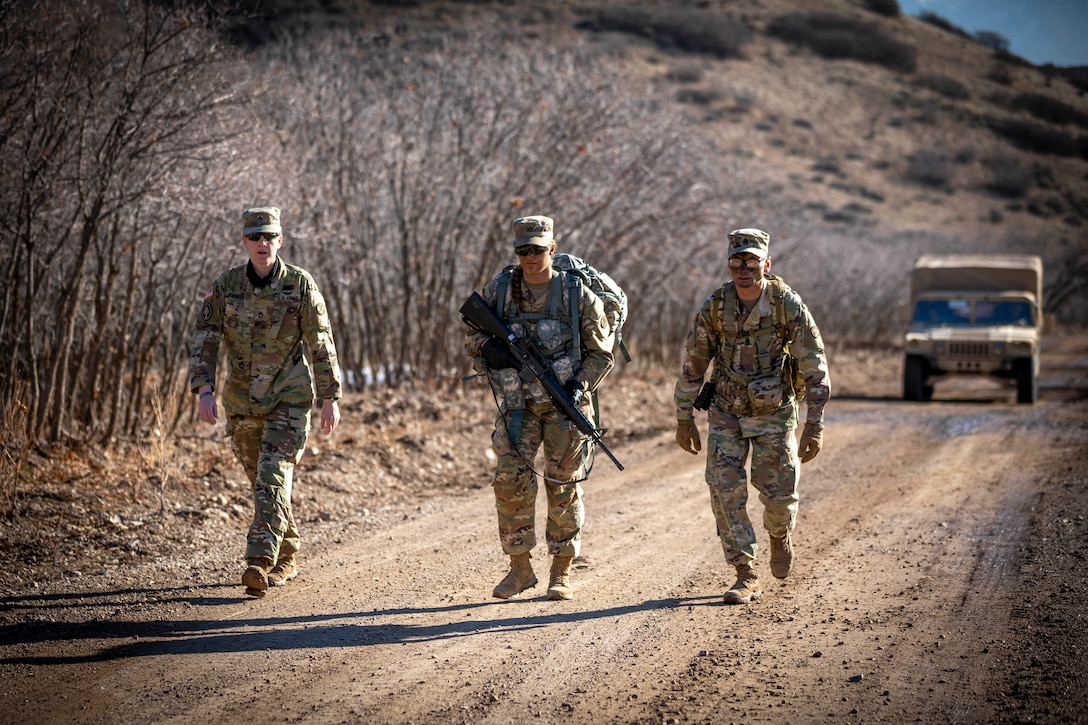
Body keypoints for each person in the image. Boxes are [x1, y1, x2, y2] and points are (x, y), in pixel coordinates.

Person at [190, 206, 342, 598]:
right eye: (255, 237)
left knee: (272, 474)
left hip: (289, 399)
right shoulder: (225, 287)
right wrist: (204, 390)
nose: (263, 243)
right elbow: (205, 338)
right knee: (264, 484)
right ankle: (288, 555)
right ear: (243, 241)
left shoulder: (300, 285)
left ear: (280, 239)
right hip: (241, 402)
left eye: (269, 236)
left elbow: (320, 341)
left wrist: (330, 397)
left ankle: (258, 562)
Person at [674, 228, 829, 605]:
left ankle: (779, 536)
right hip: (726, 412)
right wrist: (683, 416)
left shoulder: (785, 304)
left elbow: (814, 365)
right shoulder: (716, 306)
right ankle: (745, 572)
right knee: (723, 490)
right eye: (737, 261)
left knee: (778, 494)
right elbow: (694, 363)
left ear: (766, 263)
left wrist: (814, 424)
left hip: (774, 414)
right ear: (729, 264)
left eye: (752, 261)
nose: (744, 268)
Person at [465, 215, 615, 601]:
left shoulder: (575, 293)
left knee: (563, 486)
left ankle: (561, 570)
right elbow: (472, 332)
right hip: (518, 407)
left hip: (565, 406)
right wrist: (489, 350)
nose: (530, 257)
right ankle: (520, 569)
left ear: (552, 247)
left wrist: (580, 385)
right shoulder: (500, 289)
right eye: (523, 250)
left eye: (538, 249)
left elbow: (602, 353)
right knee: (510, 481)